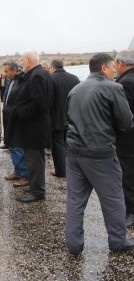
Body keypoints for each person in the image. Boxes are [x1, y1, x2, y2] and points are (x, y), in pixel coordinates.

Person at [65, 53, 134, 254]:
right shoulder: (113, 88)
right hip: (100, 154)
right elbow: (126, 123)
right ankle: (117, 241)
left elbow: (67, 119)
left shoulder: (75, 90)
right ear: (104, 68)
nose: (114, 70)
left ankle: (74, 244)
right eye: (112, 66)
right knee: (113, 200)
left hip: (74, 153)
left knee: (75, 202)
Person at [3, 50, 53, 203]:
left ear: (30, 60)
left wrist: (18, 112)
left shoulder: (37, 76)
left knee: (35, 161)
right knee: (35, 160)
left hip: (34, 129)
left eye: (23, 60)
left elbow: (38, 103)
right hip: (34, 128)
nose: (22, 63)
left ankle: (37, 191)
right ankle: (36, 189)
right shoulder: (37, 74)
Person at [49, 59, 80, 178]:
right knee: (70, 143)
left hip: (56, 118)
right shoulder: (74, 78)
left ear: (52, 67)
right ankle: (72, 168)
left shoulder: (51, 79)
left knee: (57, 145)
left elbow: (50, 100)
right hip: (72, 116)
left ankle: (61, 171)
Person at [2, 59, 29, 187]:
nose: (5, 74)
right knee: (12, 145)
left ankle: (24, 175)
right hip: (9, 117)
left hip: (17, 119)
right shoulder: (10, 81)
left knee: (18, 147)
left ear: (14, 70)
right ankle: (17, 171)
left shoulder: (22, 81)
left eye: (7, 71)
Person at [115, 50, 134, 228]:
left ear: (121, 63)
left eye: (115, 64)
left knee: (127, 176)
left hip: (128, 140)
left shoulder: (126, 83)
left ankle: (131, 212)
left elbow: (124, 115)